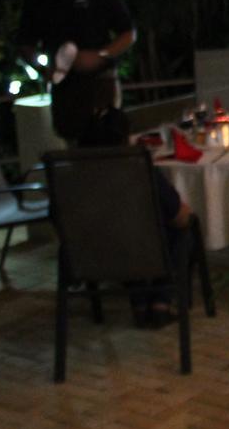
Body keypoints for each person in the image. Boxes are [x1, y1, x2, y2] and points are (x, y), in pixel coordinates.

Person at [78, 107, 194, 327]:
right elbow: (181, 217)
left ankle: (140, 301)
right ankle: (160, 300)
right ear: (124, 138)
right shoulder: (139, 169)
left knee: (121, 231)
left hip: (87, 257)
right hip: (136, 251)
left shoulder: (71, 175)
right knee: (179, 231)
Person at [16, 0, 135, 142]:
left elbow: (128, 33)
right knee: (70, 138)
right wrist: (43, 70)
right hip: (63, 85)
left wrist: (101, 55)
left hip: (100, 81)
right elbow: (25, 43)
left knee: (106, 135)